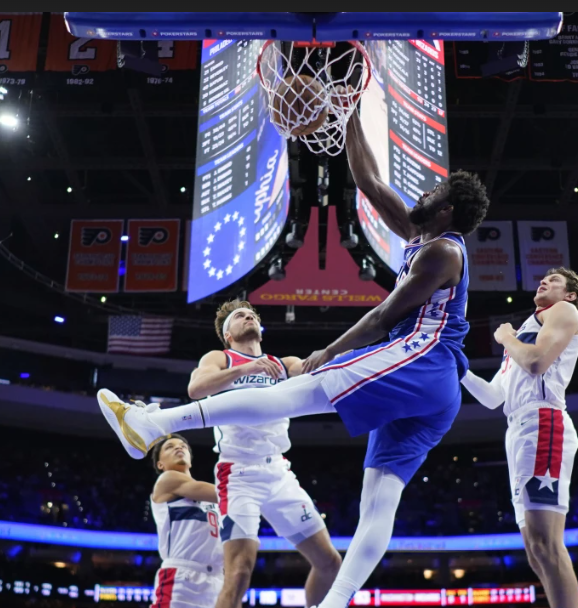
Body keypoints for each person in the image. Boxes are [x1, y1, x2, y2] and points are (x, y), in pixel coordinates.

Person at [97, 111, 489, 608]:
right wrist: (349, 114)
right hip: (431, 387)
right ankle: (335, 603)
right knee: (378, 500)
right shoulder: (422, 234)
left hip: (421, 358)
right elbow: (368, 180)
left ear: (446, 209)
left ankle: (154, 424)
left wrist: (328, 353)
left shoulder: (444, 253)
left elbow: (382, 317)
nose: (424, 192)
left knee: (292, 394)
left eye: (434, 191)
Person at [186, 300, 342, 608]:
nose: (248, 317)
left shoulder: (282, 364)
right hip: (238, 474)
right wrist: (247, 368)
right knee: (239, 574)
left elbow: (317, 368)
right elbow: (196, 389)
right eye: (240, 316)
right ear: (228, 334)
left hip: (279, 473)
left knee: (330, 563)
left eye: (252, 315)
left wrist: (341, 355)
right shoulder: (221, 358)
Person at [460, 268, 578, 608]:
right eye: (544, 277)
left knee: (546, 542)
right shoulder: (526, 333)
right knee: (534, 548)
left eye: (555, 280)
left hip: (543, 419)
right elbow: (493, 397)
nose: (544, 280)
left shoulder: (563, 311)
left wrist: (505, 338)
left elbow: (536, 363)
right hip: (517, 428)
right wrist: (459, 368)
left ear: (570, 294)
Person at [148, 433, 224, 608]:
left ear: (190, 459)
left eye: (183, 446)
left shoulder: (211, 501)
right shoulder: (167, 480)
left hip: (217, 580)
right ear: (160, 464)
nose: (178, 447)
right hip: (182, 577)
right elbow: (226, 494)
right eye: (170, 447)